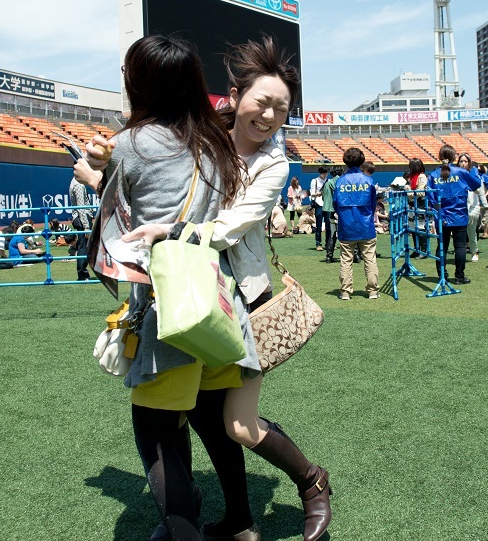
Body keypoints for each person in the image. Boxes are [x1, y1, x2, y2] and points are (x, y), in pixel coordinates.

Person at [117, 35, 330, 541]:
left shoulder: (273, 164)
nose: (271, 114)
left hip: (239, 297)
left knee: (236, 424)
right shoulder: (202, 135)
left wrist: (172, 232)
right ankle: (238, 521)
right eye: (263, 101)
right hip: (190, 289)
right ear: (235, 96)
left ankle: (312, 482)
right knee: (208, 418)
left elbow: (233, 224)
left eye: (282, 107)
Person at [85, 35, 255, 541]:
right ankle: (242, 524)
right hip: (218, 301)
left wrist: (89, 175)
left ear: (141, 82)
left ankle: (183, 532)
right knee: (213, 425)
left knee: (157, 434)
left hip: (168, 307)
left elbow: (116, 225)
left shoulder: (130, 144)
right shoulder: (215, 141)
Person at [428, 146, 481, 283]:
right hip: (460, 215)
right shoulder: (461, 172)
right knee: (460, 247)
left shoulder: (433, 175)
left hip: (442, 217)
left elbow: (431, 197)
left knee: (442, 247)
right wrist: (474, 170)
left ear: (440, 157)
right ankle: (459, 276)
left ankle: (442, 276)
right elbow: (476, 184)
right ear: (453, 157)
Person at [334, 147, 379, 300]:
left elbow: (336, 204)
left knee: (346, 260)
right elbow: (373, 204)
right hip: (366, 226)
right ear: (362, 161)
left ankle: (345, 291)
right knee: (370, 259)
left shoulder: (340, 181)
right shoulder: (368, 180)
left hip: (346, 226)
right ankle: (373, 291)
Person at [69, 159, 101, 280]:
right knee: (84, 247)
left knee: (87, 246)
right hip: (82, 219)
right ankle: (82, 274)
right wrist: (87, 226)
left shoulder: (76, 182)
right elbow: (81, 207)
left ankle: (85, 272)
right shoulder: (78, 184)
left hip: (80, 218)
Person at [406, 158, 428, 257]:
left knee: (420, 226)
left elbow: (420, 192)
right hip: (412, 204)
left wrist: (408, 192)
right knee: (413, 227)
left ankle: (423, 251)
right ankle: (417, 249)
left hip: (420, 204)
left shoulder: (422, 177)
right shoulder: (412, 177)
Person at [320, 167, 341, 263]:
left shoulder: (328, 183)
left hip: (331, 211)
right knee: (348, 233)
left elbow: (324, 197)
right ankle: (355, 255)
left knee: (332, 234)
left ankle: (329, 256)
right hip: (342, 211)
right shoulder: (342, 181)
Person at [308, 166, 328, 251]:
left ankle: (328, 243)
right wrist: (318, 193)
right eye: (324, 173)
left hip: (327, 204)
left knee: (328, 226)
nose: (325, 175)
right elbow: (312, 193)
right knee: (318, 225)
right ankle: (318, 243)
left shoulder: (328, 181)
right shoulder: (314, 181)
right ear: (321, 173)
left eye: (326, 173)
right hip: (319, 203)